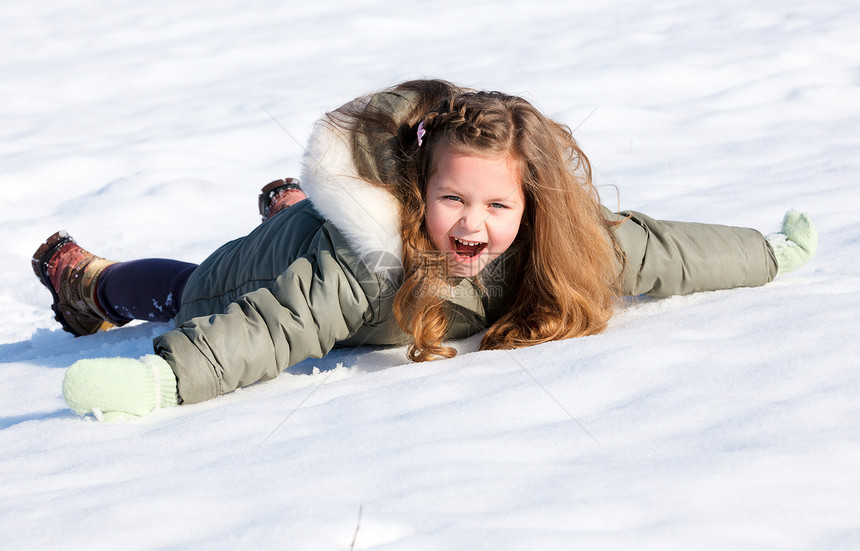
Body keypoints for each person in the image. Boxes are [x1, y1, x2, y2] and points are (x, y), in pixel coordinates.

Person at [31, 79, 817, 422]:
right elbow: (267, 330)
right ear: (417, 189)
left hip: (321, 235)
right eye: (453, 200)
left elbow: (665, 250)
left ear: (532, 202)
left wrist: (770, 253)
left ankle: (293, 202)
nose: (474, 222)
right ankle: (93, 284)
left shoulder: (556, 242)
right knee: (194, 284)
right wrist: (166, 378)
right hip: (275, 267)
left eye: (497, 204)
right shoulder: (361, 264)